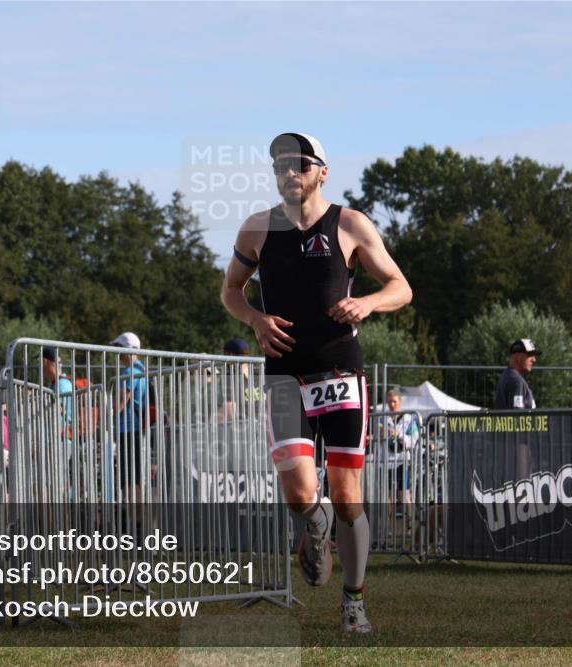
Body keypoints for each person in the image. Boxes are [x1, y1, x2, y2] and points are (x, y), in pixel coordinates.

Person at [220, 132, 412, 633]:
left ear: (322, 171)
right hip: (284, 372)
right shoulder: (257, 229)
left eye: (300, 163)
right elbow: (231, 292)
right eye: (281, 163)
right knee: (301, 495)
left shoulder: (350, 224)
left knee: (348, 497)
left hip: (339, 369)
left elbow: (401, 287)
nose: (289, 171)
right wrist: (256, 321)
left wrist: (367, 303)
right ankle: (314, 525)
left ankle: (353, 602)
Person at [111, 332, 149, 504]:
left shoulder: (128, 372)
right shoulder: (142, 369)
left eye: (118, 348)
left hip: (126, 428)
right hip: (136, 428)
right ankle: (138, 521)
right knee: (135, 476)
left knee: (128, 477)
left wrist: (106, 417)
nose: (117, 353)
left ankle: (133, 521)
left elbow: (118, 404)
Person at [493, 339, 539, 410]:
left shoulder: (508, 374)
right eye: (530, 355)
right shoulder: (516, 380)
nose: (534, 360)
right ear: (517, 356)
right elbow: (517, 416)